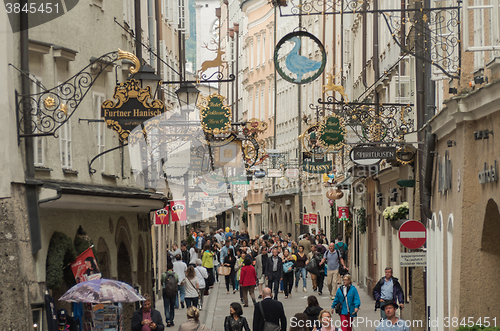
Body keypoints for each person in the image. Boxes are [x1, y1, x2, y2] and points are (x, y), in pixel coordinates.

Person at [161, 261, 178, 327]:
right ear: (173, 267)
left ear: (166, 267)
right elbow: (176, 283)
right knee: (172, 307)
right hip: (173, 293)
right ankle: (171, 320)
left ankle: (168, 320)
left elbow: (162, 283)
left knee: (166, 306)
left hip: (166, 292)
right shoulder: (175, 275)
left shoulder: (164, 275)